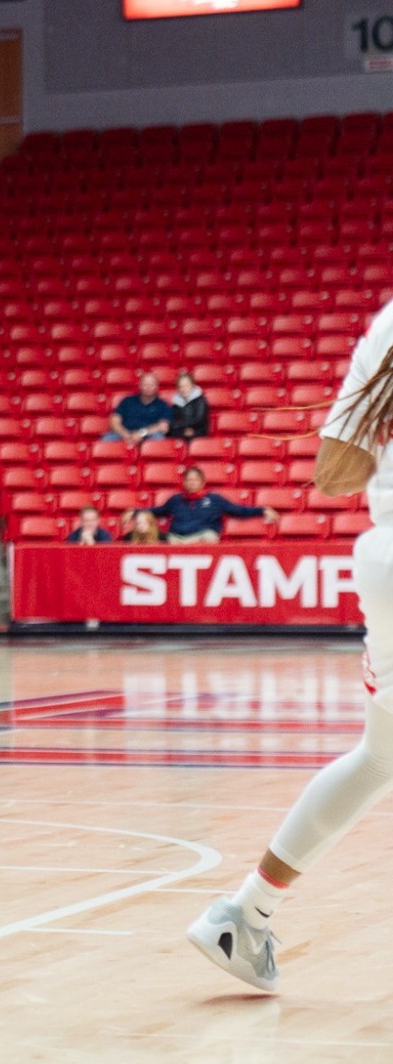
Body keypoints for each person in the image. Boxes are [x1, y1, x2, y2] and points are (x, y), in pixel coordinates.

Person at [188, 297, 393, 993]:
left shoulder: (389, 323)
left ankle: (244, 915)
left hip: (387, 560)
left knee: (380, 757)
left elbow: (334, 473)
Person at [152, 466, 276, 543]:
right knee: (165, 539)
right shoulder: (175, 500)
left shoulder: (214, 499)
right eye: (188, 480)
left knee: (210, 537)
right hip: (177, 539)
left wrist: (262, 510)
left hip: (202, 538)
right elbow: (158, 511)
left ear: (202, 482)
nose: (191, 483)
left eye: (194, 480)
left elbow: (238, 510)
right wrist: (135, 512)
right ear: (184, 482)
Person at [105, 374, 172, 445]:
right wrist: (125, 434)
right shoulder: (127, 401)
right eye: (145, 384)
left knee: (158, 438)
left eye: (151, 385)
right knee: (106, 439)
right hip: (125, 433)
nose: (148, 387)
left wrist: (141, 433)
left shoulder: (163, 405)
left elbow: (164, 427)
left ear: (157, 387)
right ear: (140, 385)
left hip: (149, 435)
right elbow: (114, 421)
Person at [171, 370, 211, 441]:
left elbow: (199, 420)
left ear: (192, 385)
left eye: (186, 385)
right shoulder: (176, 402)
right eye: (181, 386)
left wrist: (188, 428)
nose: (184, 389)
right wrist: (183, 429)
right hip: (181, 431)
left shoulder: (200, 400)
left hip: (198, 431)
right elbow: (174, 421)